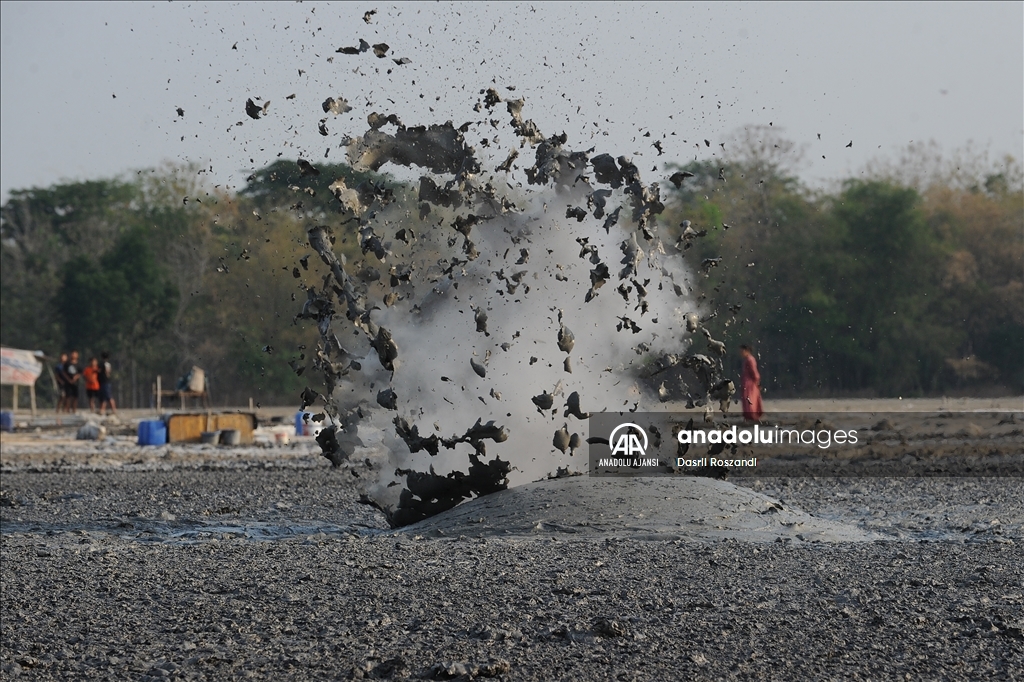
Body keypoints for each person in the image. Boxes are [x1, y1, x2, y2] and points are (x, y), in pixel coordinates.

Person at [739, 345, 763, 422]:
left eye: (742, 351)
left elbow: (754, 371)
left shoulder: (750, 360)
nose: (741, 353)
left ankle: (752, 415)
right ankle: (748, 416)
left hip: (750, 383)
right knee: (747, 399)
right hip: (746, 382)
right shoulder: (747, 360)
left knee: (750, 399)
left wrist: (757, 380)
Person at [98, 351, 117, 416]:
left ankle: (113, 409)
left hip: (104, 382)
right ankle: (103, 409)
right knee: (105, 396)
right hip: (107, 381)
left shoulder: (101, 364)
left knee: (108, 396)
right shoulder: (108, 364)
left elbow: (100, 371)